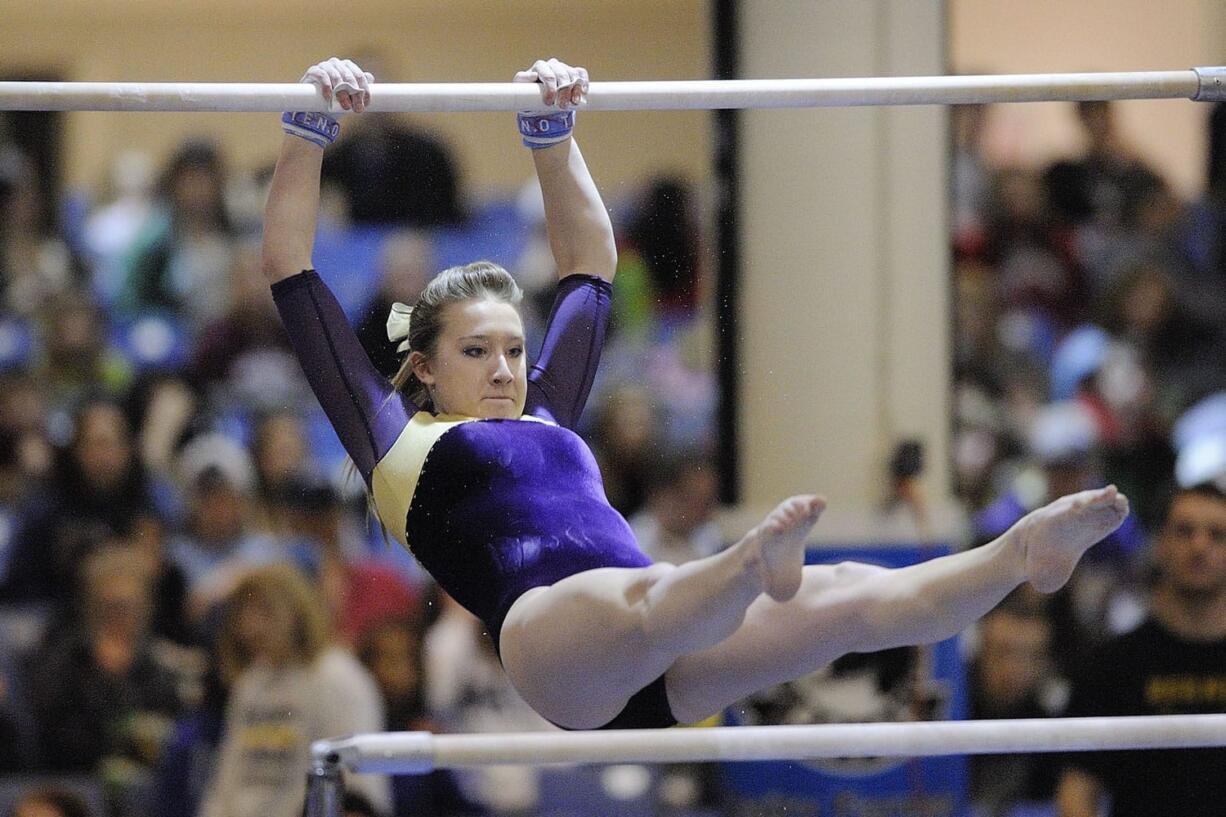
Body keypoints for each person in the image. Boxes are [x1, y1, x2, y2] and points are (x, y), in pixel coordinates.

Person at [263, 56, 1131, 732]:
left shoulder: (547, 416)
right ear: (423, 367)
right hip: (559, 647)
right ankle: (749, 566)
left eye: (516, 349)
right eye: (477, 351)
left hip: (664, 641)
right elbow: (292, 272)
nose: (505, 368)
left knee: (859, 601)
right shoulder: (395, 444)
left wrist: (551, 139)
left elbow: (590, 269)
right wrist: (307, 130)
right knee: (642, 600)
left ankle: (1023, 551)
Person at [1055, 483, 1226, 817]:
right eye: (1185, 531)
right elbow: (1076, 792)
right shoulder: (1111, 665)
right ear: (1160, 544)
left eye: (1217, 534)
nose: (1200, 545)